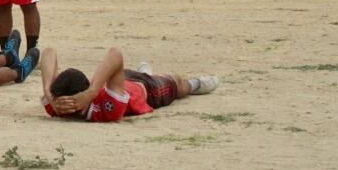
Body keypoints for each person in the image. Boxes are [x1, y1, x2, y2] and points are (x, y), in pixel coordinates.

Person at [40, 46, 220, 122]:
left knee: (179, 83)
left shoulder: (103, 108)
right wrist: (50, 94)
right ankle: (146, 72)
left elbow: (49, 52)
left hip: (127, 81)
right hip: (138, 88)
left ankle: (195, 84)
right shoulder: (60, 103)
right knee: (168, 80)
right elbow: (48, 52)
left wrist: (92, 92)